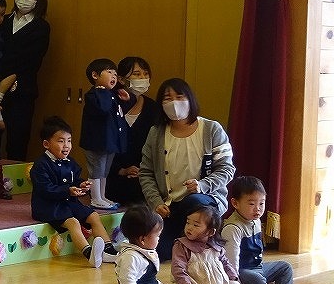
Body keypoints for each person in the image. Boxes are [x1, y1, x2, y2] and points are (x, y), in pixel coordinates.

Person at [138, 77, 235, 265]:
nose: (174, 103)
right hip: (170, 206)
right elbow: (146, 173)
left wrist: (203, 185)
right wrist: (156, 202)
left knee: (194, 201)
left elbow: (227, 168)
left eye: (179, 97)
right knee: (160, 251)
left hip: (205, 200)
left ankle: (206, 247)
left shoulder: (211, 129)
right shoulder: (156, 133)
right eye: (167, 98)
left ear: (190, 99)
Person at [29, 116, 116, 267]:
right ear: (46, 144)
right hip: (48, 207)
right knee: (73, 222)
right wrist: (68, 190)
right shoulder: (40, 165)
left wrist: (81, 185)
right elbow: (45, 189)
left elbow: (74, 180)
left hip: (68, 203)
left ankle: (108, 250)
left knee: (94, 216)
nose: (66, 146)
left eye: (69, 141)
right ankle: (89, 254)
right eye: (61, 141)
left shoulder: (71, 162)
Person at [171, 202, 262, 284]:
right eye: (188, 222)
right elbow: (178, 266)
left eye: (196, 225)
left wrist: (233, 276)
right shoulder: (181, 245)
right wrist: (184, 283)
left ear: (211, 231)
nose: (189, 227)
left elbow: (226, 263)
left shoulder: (216, 246)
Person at [222, 175, 300, 284]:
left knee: (285, 267)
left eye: (261, 203)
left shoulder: (255, 220)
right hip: (243, 271)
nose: (257, 209)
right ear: (235, 203)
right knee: (256, 278)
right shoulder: (233, 228)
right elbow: (231, 262)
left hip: (257, 267)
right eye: (251, 204)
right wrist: (236, 283)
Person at [0, 0, 50, 161]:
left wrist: (11, 77)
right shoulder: (3, 21)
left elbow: (32, 60)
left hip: (23, 90)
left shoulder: (41, 27)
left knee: (18, 139)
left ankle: (15, 176)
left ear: (38, 1)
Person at [106, 56, 160, 206]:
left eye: (146, 74)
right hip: (113, 175)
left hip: (144, 175)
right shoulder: (109, 104)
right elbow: (101, 145)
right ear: (121, 79)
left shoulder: (153, 108)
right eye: (137, 74)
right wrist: (121, 170)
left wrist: (143, 171)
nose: (143, 77)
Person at [79, 58, 130, 209]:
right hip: (97, 142)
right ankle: (95, 198)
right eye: (109, 72)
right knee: (97, 170)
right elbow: (103, 109)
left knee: (104, 171)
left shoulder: (110, 94)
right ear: (95, 75)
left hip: (109, 142)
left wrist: (124, 100)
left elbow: (117, 115)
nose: (114, 76)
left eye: (115, 74)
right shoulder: (94, 94)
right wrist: (103, 91)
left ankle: (102, 196)